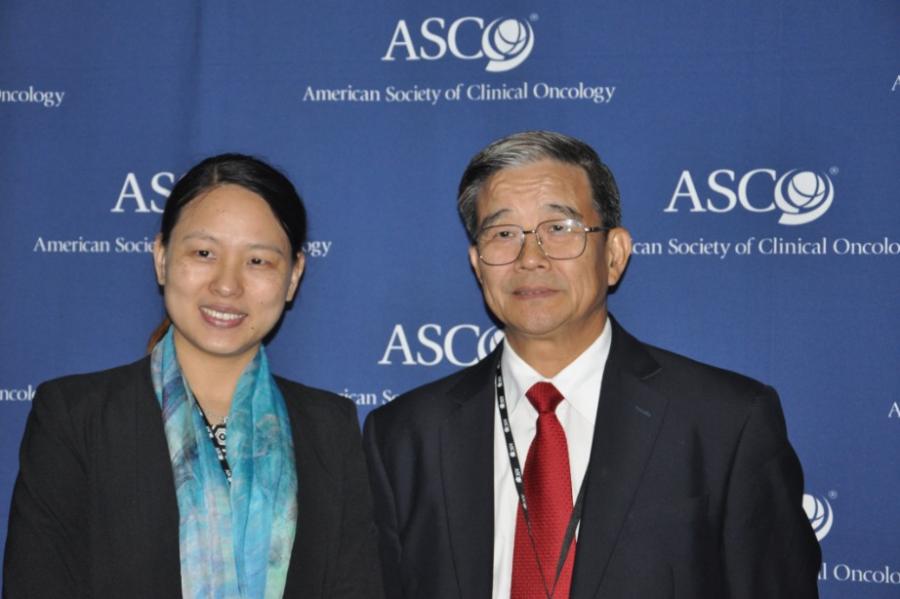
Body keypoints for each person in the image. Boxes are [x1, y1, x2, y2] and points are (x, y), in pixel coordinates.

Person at [363, 131, 821, 598]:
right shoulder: (406, 436)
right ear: (478, 265)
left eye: (559, 228)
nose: (530, 258)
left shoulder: (725, 422)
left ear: (615, 255)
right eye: (503, 234)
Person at [4, 154, 382, 598]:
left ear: (294, 275)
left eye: (258, 260)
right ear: (162, 257)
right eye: (204, 253)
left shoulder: (329, 427)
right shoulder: (77, 417)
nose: (227, 285)